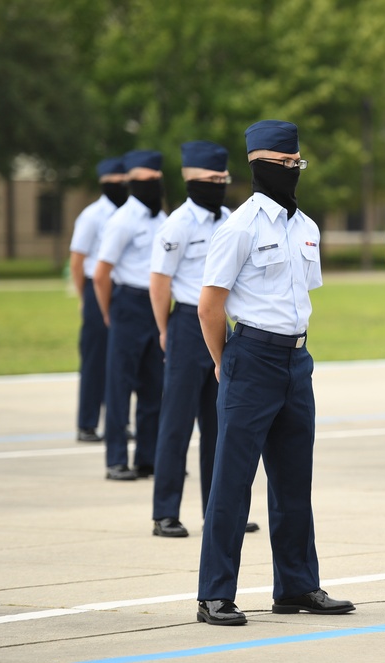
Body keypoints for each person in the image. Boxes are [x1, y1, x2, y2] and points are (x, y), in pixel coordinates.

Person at [196, 120, 354, 626]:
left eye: (297, 164)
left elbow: (300, 296)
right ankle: (215, 594)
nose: (293, 173)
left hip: (295, 360)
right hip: (251, 357)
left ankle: (296, 586)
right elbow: (209, 306)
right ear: (260, 165)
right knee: (232, 481)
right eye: (285, 165)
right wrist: (226, 362)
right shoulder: (240, 226)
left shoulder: (306, 227)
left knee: (293, 481)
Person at [149, 141, 259, 538]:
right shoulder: (177, 224)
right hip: (184, 324)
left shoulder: (230, 218)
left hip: (220, 325)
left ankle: (221, 509)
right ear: (190, 180)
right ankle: (165, 513)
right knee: (176, 424)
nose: (218, 185)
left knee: (220, 424)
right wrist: (164, 331)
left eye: (222, 178)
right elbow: (159, 284)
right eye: (210, 179)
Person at [93, 149, 166, 481]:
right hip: (128, 303)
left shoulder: (163, 219)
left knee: (154, 386)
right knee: (120, 384)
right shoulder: (121, 220)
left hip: (157, 304)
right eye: (144, 180)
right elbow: (101, 273)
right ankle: (116, 459)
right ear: (132, 182)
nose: (152, 185)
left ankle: (147, 458)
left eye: (156, 179)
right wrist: (110, 312)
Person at [69, 156, 128, 443]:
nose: (122, 187)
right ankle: (87, 424)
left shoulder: (133, 214)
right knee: (95, 358)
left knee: (123, 360)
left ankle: (118, 423)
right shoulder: (92, 216)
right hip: (96, 286)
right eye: (116, 183)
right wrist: (85, 296)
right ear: (105, 184)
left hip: (124, 288)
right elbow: (77, 261)